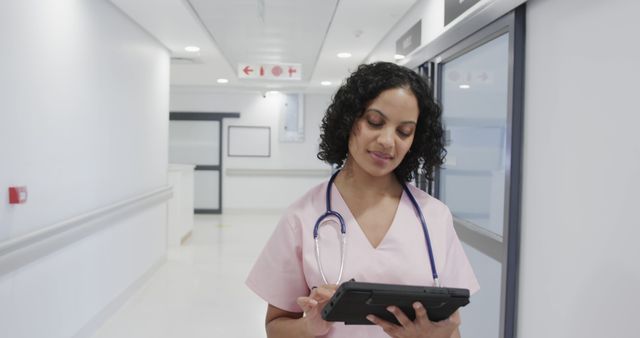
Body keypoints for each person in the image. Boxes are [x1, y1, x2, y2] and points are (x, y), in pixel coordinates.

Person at [246, 62, 479, 338]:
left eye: (404, 131)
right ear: (350, 119)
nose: (387, 141)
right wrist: (309, 326)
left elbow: (452, 329)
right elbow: (275, 327)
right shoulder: (303, 216)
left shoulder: (434, 217)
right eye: (375, 122)